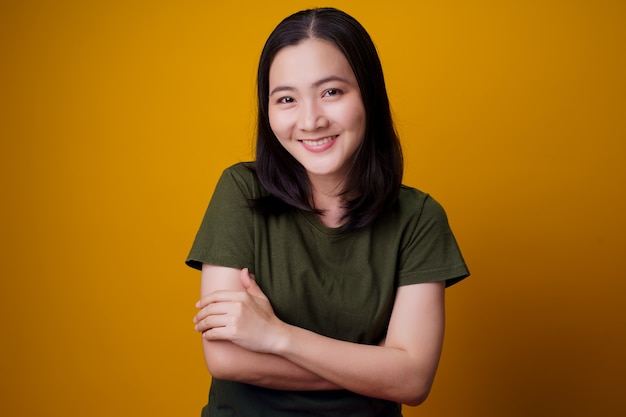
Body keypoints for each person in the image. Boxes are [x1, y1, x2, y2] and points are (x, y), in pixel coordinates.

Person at [187, 7, 469, 417]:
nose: (310, 120)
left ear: (368, 95)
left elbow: (413, 381)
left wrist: (276, 336)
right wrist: (375, 368)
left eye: (331, 92)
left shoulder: (419, 219)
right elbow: (227, 360)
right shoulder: (240, 191)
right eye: (286, 99)